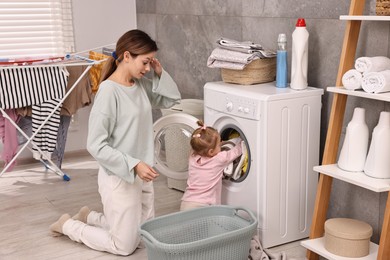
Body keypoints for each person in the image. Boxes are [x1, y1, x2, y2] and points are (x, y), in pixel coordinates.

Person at [49, 29, 181, 256]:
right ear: (127, 56)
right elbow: (96, 145)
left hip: (143, 172)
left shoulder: (139, 85)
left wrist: (159, 73)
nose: (147, 68)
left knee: (144, 239)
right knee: (124, 246)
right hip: (120, 176)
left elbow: (171, 100)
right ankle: (69, 225)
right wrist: (133, 165)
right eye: (145, 62)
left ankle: (90, 216)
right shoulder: (109, 92)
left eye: (151, 62)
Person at [180, 120, 243, 211]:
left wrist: (214, 144)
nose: (220, 145)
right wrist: (242, 140)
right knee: (210, 225)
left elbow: (196, 147)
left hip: (187, 202)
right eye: (218, 145)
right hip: (205, 205)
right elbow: (237, 151)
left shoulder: (192, 158)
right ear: (211, 152)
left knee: (190, 225)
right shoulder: (220, 159)